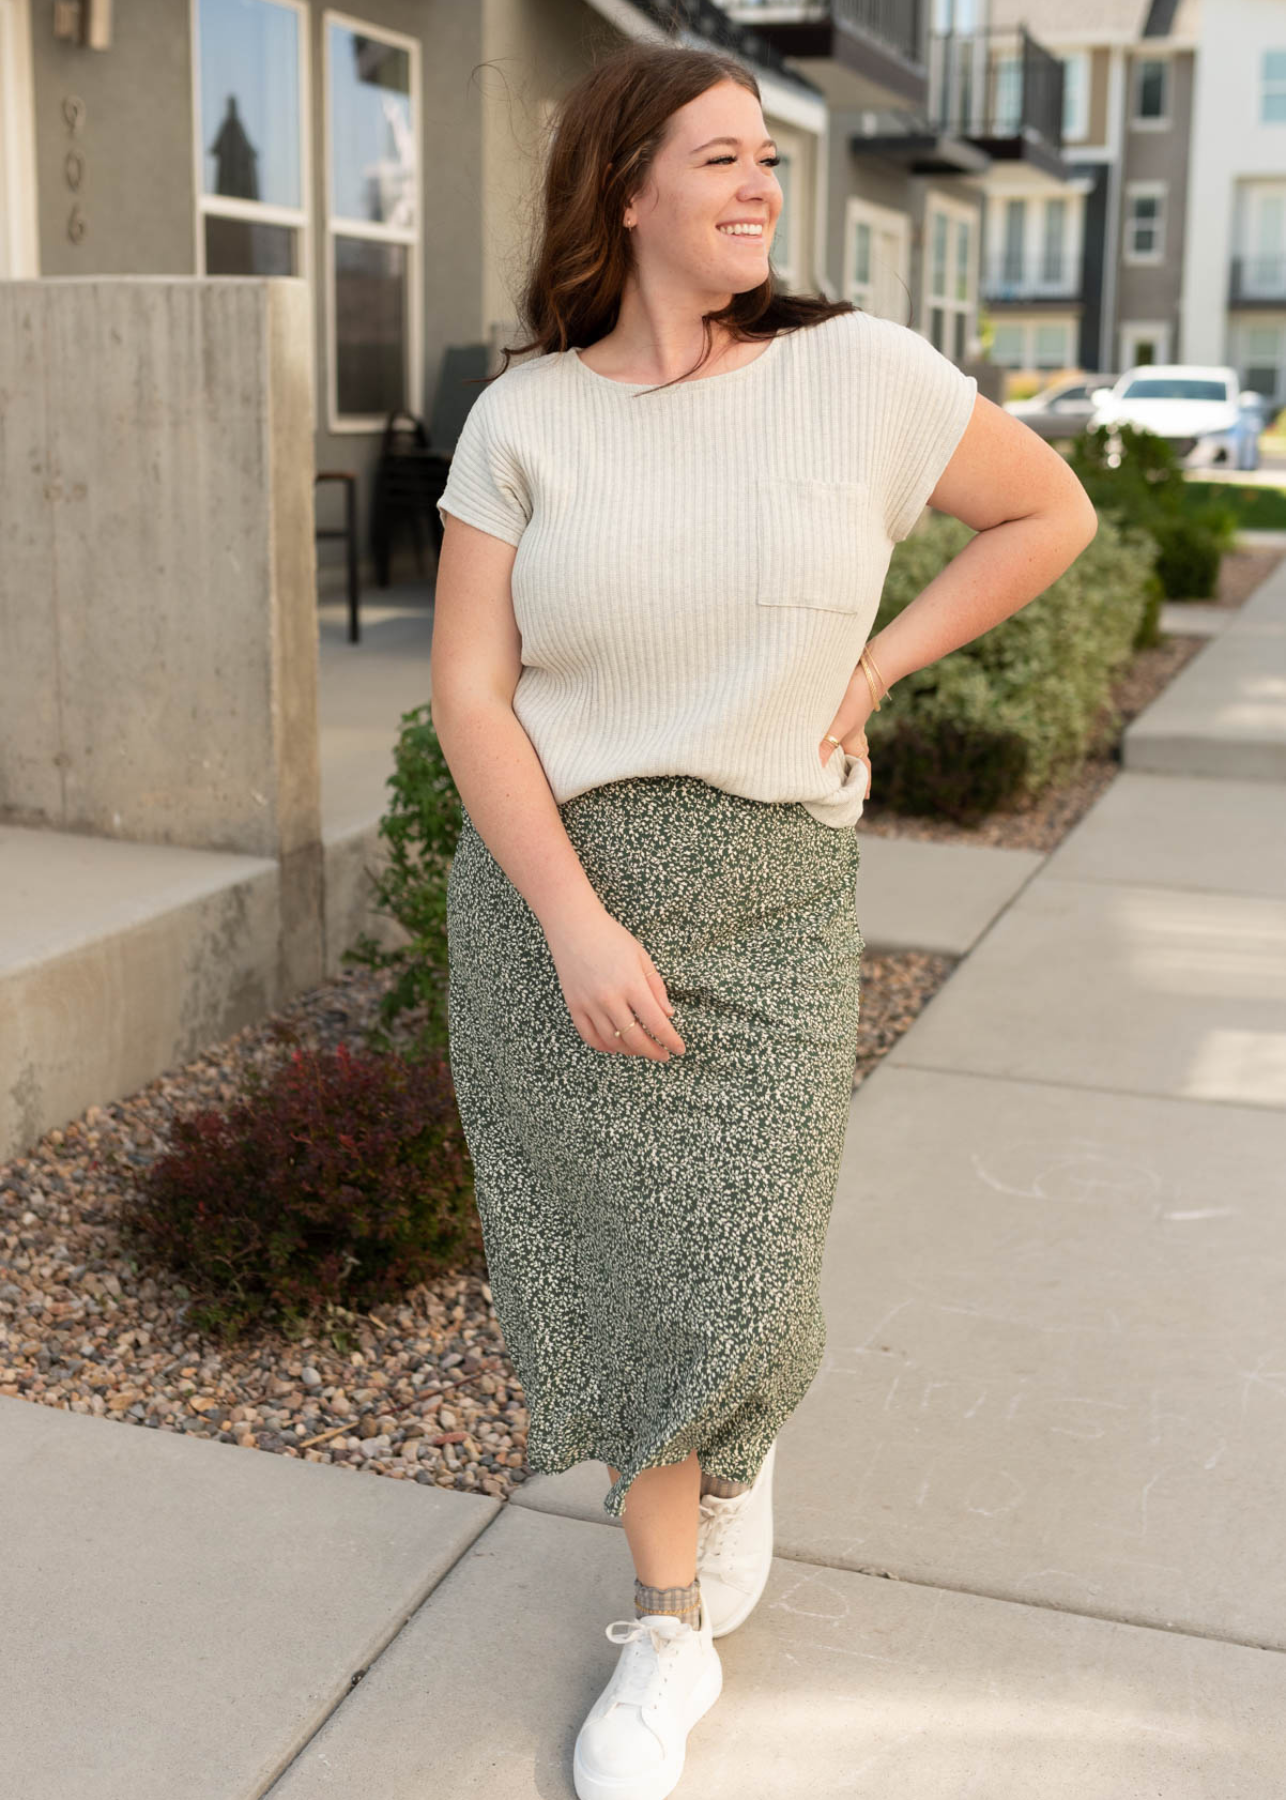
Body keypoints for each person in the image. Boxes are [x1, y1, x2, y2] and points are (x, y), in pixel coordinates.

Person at [430, 40, 1098, 1800]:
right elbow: (473, 700)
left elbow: (1046, 510)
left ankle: (732, 1443)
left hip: (771, 894)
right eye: (717, 159)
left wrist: (882, 653)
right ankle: (660, 1635)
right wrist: (570, 920)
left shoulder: (856, 375)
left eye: (766, 162)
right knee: (623, 1280)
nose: (755, 187)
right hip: (555, 906)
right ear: (625, 188)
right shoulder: (525, 421)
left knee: (742, 1278)